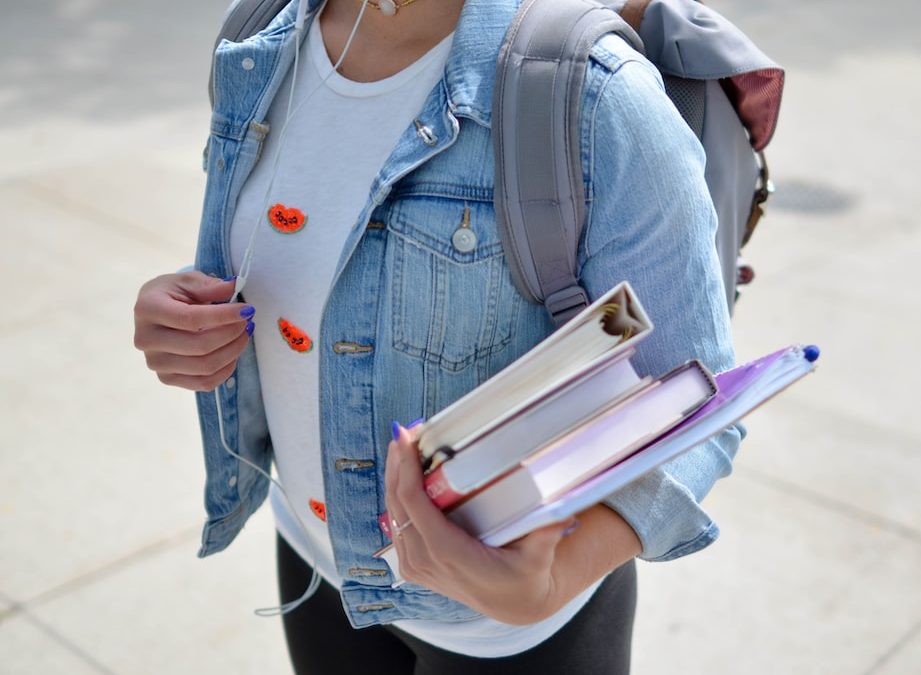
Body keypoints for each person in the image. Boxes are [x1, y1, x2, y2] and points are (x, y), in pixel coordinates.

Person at [132, 0, 741, 671]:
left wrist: (553, 578)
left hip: (515, 637)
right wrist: (187, 314)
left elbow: (694, 395)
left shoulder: (594, 94)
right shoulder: (259, 37)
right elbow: (294, 261)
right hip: (312, 563)